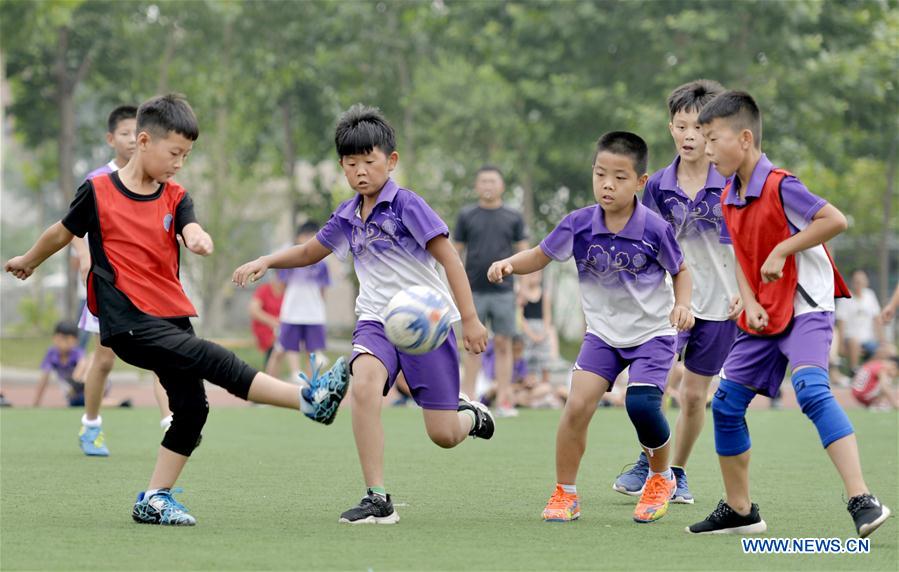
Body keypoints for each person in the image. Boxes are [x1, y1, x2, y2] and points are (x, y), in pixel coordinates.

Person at [6, 94, 350, 527]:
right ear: (144, 142)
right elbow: (60, 233)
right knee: (212, 356)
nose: (180, 163)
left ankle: (154, 498)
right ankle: (309, 400)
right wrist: (29, 260)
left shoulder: (175, 196)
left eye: (187, 155)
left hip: (170, 315)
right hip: (127, 321)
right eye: (174, 153)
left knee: (193, 407)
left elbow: (190, 225)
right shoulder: (97, 192)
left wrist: (198, 236)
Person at [233, 104, 493, 525]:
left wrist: (471, 319)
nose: (360, 171)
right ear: (341, 166)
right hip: (375, 320)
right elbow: (308, 251)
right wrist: (267, 260)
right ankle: (376, 497)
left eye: (369, 161)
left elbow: (449, 260)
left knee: (444, 435)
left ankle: (471, 414)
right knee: (365, 386)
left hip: (425, 325)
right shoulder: (347, 215)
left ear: (390, 161)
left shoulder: (408, 205)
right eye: (350, 164)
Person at [687, 91, 890, 538]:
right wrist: (752, 300)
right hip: (764, 314)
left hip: (805, 307)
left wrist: (782, 248)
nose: (705, 149)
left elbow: (835, 220)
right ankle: (741, 511)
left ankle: (862, 499)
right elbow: (739, 257)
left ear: (743, 138)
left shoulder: (780, 184)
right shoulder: (726, 194)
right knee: (725, 405)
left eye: (712, 138)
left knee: (811, 389)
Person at [488, 131, 694, 524]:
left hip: (652, 333)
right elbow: (540, 254)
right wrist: (510, 264)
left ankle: (660, 476)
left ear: (640, 182)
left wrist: (683, 305)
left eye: (619, 177)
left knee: (641, 405)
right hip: (603, 334)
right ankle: (566, 492)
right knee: (577, 406)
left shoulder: (654, 228)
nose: (607, 185)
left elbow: (681, 271)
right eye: (600, 174)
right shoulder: (579, 223)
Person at [615, 79, 737, 504]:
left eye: (698, 128)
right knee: (647, 388)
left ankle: (677, 472)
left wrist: (748, 289)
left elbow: (752, 238)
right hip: (668, 302)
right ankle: (650, 461)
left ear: (713, 130)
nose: (689, 136)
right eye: (681, 126)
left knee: (693, 396)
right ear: (670, 128)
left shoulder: (733, 182)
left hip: (722, 306)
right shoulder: (656, 186)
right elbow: (641, 240)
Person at [70, 105, 172, 457]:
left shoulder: (159, 180)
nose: (131, 139)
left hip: (148, 289)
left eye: (136, 133)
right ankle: (91, 425)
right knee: (103, 360)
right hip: (108, 289)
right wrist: (83, 257)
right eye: (125, 133)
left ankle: (170, 421)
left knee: (163, 354)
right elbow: (72, 227)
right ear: (111, 138)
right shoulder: (97, 180)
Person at [454, 166, 528, 417]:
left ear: (502, 186)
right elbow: (455, 254)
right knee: (472, 346)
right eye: (483, 180)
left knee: (503, 344)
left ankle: (504, 401)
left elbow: (524, 253)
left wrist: (524, 287)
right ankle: (468, 400)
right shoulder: (466, 216)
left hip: (504, 291)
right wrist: (454, 290)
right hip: (472, 291)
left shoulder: (513, 216)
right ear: (476, 186)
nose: (488, 185)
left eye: (492, 181)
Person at [277, 221, 330, 379]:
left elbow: (323, 289)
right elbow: (281, 285)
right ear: (298, 237)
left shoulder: (322, 264)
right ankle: (295, 374)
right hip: (292, 311)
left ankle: (311, 381)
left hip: (314, 313)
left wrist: (320, 307)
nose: (308, 239)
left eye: (312, 236)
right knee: (290, 346)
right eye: (305, 235)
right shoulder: (290, 260)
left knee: (313, 350)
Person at [836, 270, 883, 373]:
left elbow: (877, 319)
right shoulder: (844, 298)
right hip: (850, 340)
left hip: (869, 340)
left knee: (888, 350)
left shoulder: (870, 295)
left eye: (861, 280)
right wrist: (840, 346)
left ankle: (866, 372)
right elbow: (841, 324)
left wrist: (882, 341)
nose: (859, 283)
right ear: (852, 282)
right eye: (856, 281)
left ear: (866, 281)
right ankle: (854, 371)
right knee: (854, 341)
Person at [33, 321, 88, 407]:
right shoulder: (51, 353)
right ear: (54, 338)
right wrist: (36, 403)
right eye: (60, 339)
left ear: (75, 341)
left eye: (68, 340)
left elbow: (83, 363)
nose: (63, 343)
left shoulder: (77, 352)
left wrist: (75, 380)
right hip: (71, 394)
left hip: (85, 387)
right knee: (79, 404)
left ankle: (73, 384)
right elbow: (44, 378)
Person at [518, 270, 554, 391]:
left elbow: (547, 316)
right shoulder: (522, 295)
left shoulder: (544, 295)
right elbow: (520, 317)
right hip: (527, 333)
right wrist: (531, 334)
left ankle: (544, 384)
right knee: (527, 358)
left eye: (537, 274)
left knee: (544, 359)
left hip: (542, 332)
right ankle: (528, 384)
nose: (534, 276)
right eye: (531, 274)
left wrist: (543, 333)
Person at [248, 274, 285, 372]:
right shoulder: (264, 289)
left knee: (282, 343)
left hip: (280, 329)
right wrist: (272, 321)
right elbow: (253, 310)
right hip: (264, 327)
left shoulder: (287, 292)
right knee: (278, 346)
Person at [851, 344, 898, 410]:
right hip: (865, 395)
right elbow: (885, 387)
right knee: (887, 381)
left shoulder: (873, 363)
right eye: (896, 373)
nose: (894, 376)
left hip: (856, 394)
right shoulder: (883, 368)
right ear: (894, 366)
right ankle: (878, 404)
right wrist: (895, 403)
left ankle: (876, 403)